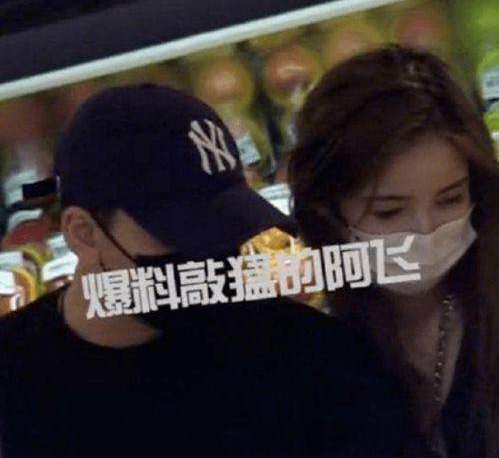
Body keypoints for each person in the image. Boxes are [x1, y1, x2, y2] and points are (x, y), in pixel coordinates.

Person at [0, 84, 419, 457]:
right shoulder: (14, 380)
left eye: (226, 230)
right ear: (85, 234)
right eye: (180, 235)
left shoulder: (316, 361)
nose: (211, 259)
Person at [288, 44, 499, 458]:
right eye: (388, 211)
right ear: (330, 211)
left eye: (450, 199)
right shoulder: (319, 348)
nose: (424, 230)